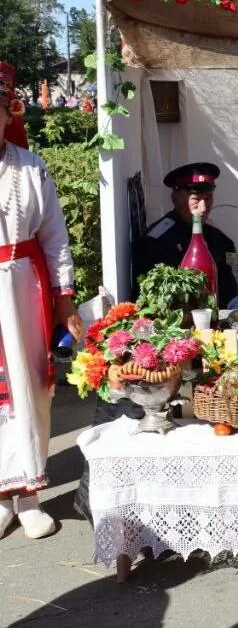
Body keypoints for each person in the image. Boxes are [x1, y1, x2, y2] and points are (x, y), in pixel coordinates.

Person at [0, 61, 79, 540]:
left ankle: (27, 494)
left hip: (24, 288)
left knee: (28, 387)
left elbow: (55, 235)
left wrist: (65, 299)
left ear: (8, 114)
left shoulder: (31, 167)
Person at [132, 162, 238, 308]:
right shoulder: (156, 241)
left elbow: (228, 288)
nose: (203, 208)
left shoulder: (219, 239)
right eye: (196, 200)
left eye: (208, 198)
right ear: (175, 198)